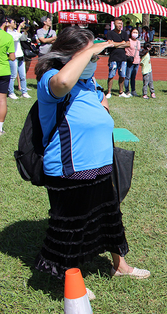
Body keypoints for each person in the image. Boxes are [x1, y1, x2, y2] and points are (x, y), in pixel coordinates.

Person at [33, 26, 150, 286]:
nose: (95, 61)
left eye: (97, 57)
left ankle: (120, 265)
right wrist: (92, 50)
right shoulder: (51, 78)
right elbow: (63, 84)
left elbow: (102, 105)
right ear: (69, 54)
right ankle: (71, 282)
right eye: (91, 55)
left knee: (109, 216)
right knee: (71, 227)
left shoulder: (88, 82)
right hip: (69, 168)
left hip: (101, 163)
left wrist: (102, 105)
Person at [6, 17, 30, 99]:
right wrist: (19, 28)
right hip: (13, 56)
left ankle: (24, 92)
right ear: (8, 23)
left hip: (20, 56)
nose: (15, 24)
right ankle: (11, 92)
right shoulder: (7, 33)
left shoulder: (16, 31)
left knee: (23, 76)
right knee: (13, 76)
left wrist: (25, 29)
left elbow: (23, 38)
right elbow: (15, 38)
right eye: (13, 22)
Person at [106, 17, 130, 98]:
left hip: (123, 58)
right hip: (113, 57)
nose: (120, 25)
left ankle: (121, 92)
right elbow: (110, 44)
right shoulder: (110, 33)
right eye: (118, 23)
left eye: (121, 24)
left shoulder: (124, 33)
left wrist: (116, 44)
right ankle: (109, 92)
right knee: (111, 75)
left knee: (122, 75)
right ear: (114, 24)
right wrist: (121, 43)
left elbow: (128, 44)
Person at [0, 12, 16, 136]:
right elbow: (12, 57)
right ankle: (0, 128)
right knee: (2, 100)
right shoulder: (8, 37)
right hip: (4, 71)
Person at [124, 27, 142, 97]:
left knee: (133, 77)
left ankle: (133, 90)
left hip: (137, 62)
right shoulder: (128, 41)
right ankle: (127, 91)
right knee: (127, 76)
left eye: (136, 33)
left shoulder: (138, 42)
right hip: (130, 61)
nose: (135, 34)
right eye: (134, 32)